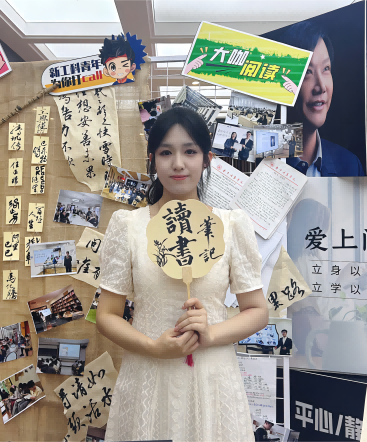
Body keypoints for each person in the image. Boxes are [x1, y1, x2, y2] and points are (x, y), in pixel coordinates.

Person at [96, 107, 268, 442]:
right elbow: (106, 315)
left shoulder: (231, 225)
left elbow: (257, 311)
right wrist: (153, 347)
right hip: (148, 376)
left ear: (207, 159)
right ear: (152, 160)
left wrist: (211, 333)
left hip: (211, 380)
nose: (178, 163)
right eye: (166, 153)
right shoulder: (128, 226)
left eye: (190, 151)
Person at [279, 21, 365, 177]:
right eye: (307, 71)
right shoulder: (256, 163)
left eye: (326, 68)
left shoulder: (350, 166)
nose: (321, 87)